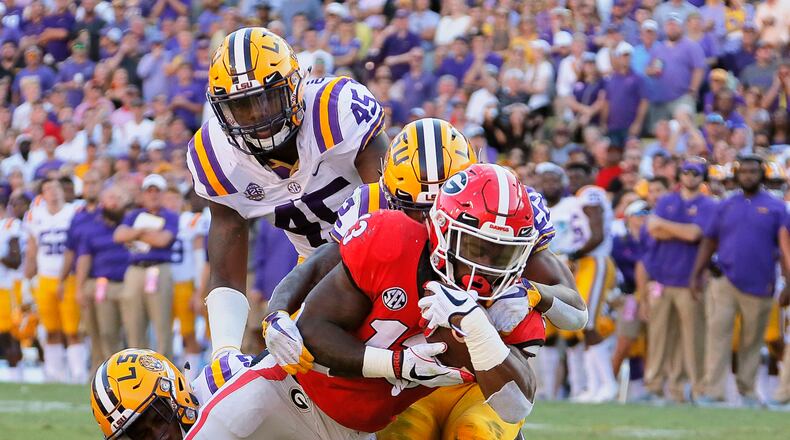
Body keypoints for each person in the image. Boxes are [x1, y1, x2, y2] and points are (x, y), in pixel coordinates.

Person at [265, 121, 584, 439]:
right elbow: (318, 265)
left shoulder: (505, 207)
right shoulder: (369, 207)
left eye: (444, 209)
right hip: (407, 377)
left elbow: (576, 313)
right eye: (417, 211)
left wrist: (532, 292)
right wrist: (277, 311)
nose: (432, 225)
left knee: (477, 433)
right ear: (389, 192)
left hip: (482, 371)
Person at [187, 164, 548, 439]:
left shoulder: (506, 302)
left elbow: (515, 405)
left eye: (502, 254)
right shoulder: (391, 238)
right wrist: (397, 363)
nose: (485, 265)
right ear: (440, 226)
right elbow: (313, 327)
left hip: (357, 432)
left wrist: (477, 326)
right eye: (475, 247)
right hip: (285, 391)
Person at [188, 28, 387, 330]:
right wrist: (224, 351)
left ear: (295, 85)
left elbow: (393, 206)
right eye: (241, 107)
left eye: (267, 99)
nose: (257, 117)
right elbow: (226, 273)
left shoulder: (335, 110)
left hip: (383, 251)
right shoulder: (216, 155)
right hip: (313, 270)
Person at [691, 155, 789, 407]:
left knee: (752, 341)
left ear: (762, 175)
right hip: (724, 279)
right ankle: (713, 391)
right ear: (736, 175)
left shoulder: (777, 207)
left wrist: (788, 283)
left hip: (761, 283)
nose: (747, 175)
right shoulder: (725, 205)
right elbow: (709, 240)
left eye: (753, 171)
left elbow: (785, 247)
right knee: (717, 334)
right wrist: (697, 272)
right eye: (743, 171)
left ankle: (747, 391)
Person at [639, 158, 717, 403]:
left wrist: (667, 226)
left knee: (693, 339)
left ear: (702, 177)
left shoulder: (708, 204)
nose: (690, 176)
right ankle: (654, 387)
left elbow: (697, 234)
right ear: (679, 175)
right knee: (659, 336)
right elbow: (654, 229)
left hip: (689, 281)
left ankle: (697, 389)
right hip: (662, 279)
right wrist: (682, 230)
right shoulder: (667, 200)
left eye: (696, 173)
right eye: (686, 172)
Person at [565, 161, 619, 403]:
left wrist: (575, 253)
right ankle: (594, 386)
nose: (575, 178)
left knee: (588, 322)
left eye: (580, 173)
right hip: (587, 263)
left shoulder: (591, 193)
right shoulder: (578, 196)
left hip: (595, 261)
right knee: (582, 325)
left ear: (590, 174)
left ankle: (608, 384)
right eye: (571, 174)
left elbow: (595, 234)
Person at [113, 174, 178, 358]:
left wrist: (133, 234)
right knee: (133, 322)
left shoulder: (170, 215)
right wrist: (143, 231)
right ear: (143, 194)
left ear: (163, 194)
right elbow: (118, 235)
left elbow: (162, 240)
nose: (152, 195)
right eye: (149, 191)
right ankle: (136, 365)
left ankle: (166, 367)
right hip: (135, 269)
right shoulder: (134, 214)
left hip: (159, 269)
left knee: (162, 323)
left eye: (156, 191)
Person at [23, 177, 81, 383]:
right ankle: (54, 374)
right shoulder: (35, 216)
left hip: (69, 278)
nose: (53, 192)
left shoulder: (74, 212)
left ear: (63, 191)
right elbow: (32, 250)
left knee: (72, 330)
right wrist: (26, 278)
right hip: (45, 277)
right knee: (50, 329)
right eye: (48, 189)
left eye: (56, 187)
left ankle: (77, 374)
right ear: (42, 194)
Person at [75, 185, 131, 367]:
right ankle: (104, 370)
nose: (114, 203)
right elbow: (84, 258)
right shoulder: (92, 228)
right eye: (110, 199)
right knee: (105, 332)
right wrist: (79, 287)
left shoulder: (131, 223)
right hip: (103, 284)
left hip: (130, 283)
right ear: (102, 202)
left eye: (118, 199)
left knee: (132, 331)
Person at [162, 187, 206, 380]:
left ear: (182, 201)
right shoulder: (158, 220)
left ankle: (190, 376)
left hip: (184, 282)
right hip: (163, 283)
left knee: (188, 331)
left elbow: (199, 256)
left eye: (175, 199)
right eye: (168, 199)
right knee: (164, 331)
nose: (171, 203)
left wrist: (199, 288)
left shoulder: (191, 220)